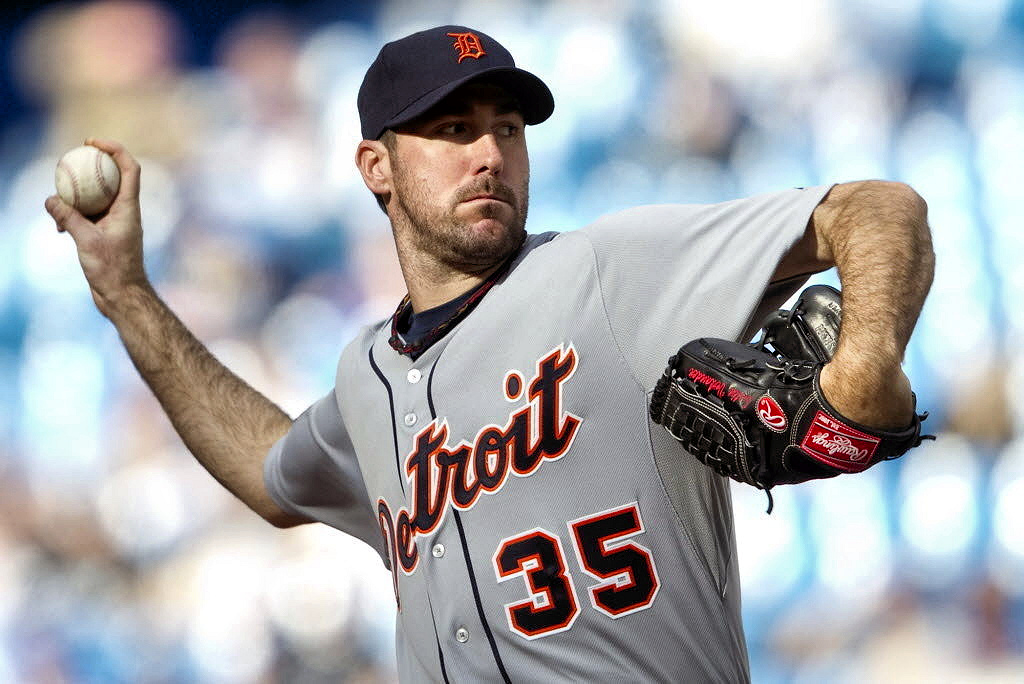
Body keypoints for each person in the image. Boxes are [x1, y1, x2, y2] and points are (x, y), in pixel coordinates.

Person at [45, 24, 934, 683]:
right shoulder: (366, 377)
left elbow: (877, 209)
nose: (489, 154)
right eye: (452, 130)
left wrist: (861, 374)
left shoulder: (608, 270)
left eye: (507, 128)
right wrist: (124, 292)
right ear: (376, 166)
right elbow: (270, 473)